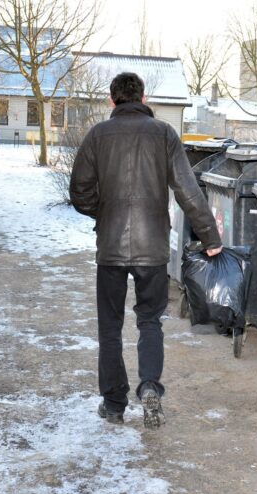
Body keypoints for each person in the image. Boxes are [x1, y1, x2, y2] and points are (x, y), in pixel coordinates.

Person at [69, 72, 222, 429]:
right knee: (150, 322)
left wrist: (103, 211)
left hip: (110, 248)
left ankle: (114, 404)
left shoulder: (97, 136)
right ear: (144, 96)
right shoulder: (165, 134)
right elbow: (188, 190)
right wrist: (211, 238)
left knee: (110, 327)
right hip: (153, 247)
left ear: (112, 100)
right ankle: (150, 385)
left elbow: (79, 190)